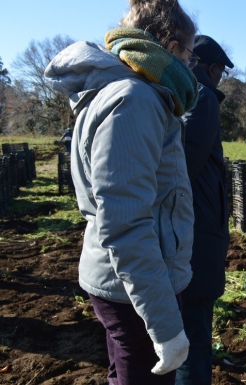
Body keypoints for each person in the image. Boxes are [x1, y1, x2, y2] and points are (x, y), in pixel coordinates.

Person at [44, 0, 198, 383]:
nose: (191, 66)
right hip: (136, 287)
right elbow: (126, 222)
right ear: (171, 47)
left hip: (127, 280)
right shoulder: (135, 100)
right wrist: (165, 327)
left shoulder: (127, 93)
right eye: (190, 55)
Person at [175, 35, 233, 385]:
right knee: (194, 332)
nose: (221, 78)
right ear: (210, 68)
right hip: (196, 232)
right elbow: (186, 164)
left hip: (187, 227)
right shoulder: (203, 98)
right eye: (221, 71)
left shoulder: (178, 96)